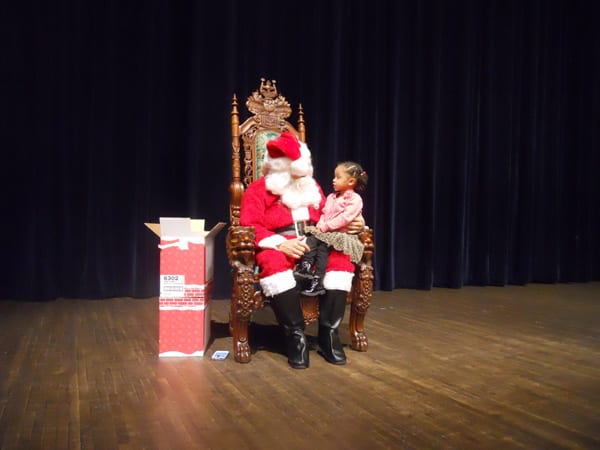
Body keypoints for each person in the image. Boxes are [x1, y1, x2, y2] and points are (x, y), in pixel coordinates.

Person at [240, 131, 365, 369]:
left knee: (341, 260)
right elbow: (249, 225)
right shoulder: (258, 189)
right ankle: (296, 336)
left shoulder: (313, 186)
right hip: (279, 241)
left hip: (316, 238)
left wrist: (357, 222)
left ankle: (329, 334)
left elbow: (334, 215)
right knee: (274, 264)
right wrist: (280, 243)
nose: (299, 175)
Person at [296, 162, 368, 297]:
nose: (333, 180)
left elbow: (345, 218)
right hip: (327, 232)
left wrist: (326, 226)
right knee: (312, 240)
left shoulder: (355, 199)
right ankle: (306, 268)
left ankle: (318, 281)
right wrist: (321, 224)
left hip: (340, 234)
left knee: (323, 247)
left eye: (338, 177)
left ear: (351, 181)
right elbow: (324, 213)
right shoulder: (331, 197)